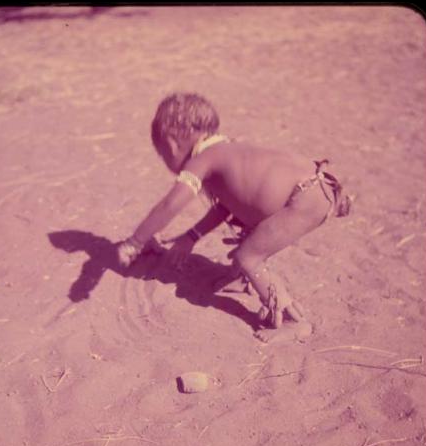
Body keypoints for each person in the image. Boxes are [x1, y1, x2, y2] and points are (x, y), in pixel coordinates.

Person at [117, 92, 351, 339]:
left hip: (304, 198)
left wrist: (135, 242)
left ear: (172, 143)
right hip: (317, 186)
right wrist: (190, 237)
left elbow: (171, 204)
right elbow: (227, 207)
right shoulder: (227, 149)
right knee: (248, 226)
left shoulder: (203, 159)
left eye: (162, 154)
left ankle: (294, 322)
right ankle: (243, 281)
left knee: (249, 257)